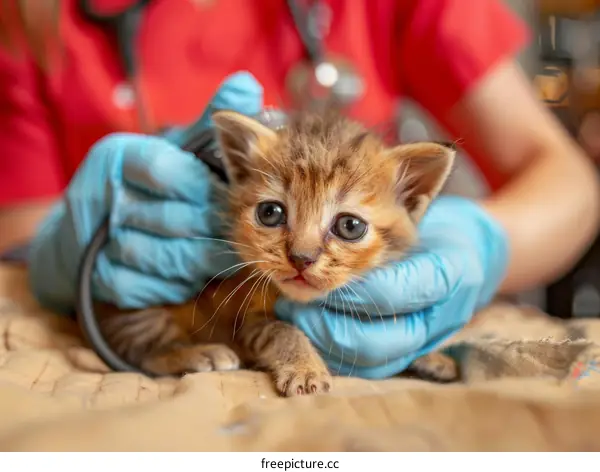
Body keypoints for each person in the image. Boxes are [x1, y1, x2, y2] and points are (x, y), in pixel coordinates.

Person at [0, 0, 599, 378]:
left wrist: (485, 243)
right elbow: (17, 234)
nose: (303, 254)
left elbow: (568, 181)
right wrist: (62, 250)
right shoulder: (33, 14)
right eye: (272, 214)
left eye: (345, 225)